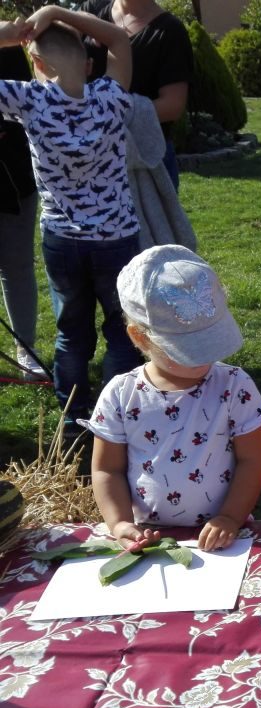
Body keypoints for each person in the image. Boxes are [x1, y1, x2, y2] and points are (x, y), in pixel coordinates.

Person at [0, 7, 144, 429]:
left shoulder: (28, 99)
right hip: (117, 239)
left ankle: (73, 416)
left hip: (63, 241)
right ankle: (116, 418)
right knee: (122, 331)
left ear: (37, 64)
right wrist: (60, 12)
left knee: (71, 334)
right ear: (87, 64)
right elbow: (118, 39)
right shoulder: (111, 97)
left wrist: (9, 34)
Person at [80, 245, 261, 552]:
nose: (204, 356)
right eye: (188, 349)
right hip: (148, 535)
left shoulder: (235, 386)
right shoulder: (121, 394)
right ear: (139, 337)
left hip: (223, 534)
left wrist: (230, 517)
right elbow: (107, 469)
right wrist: (120, 524)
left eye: (209, 342)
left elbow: (253, 460)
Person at [79, 0, 193, 190]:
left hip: (145, 157)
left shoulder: (169, 30)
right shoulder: (93, 9)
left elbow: (173, 105)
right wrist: (70, 18)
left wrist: (107, 115)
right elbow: (54, 46)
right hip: (92, 153)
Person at [0, 47, 44, 380]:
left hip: (13, 177)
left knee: (16, 266)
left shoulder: (8, 46)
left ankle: (25, 350)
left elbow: (24, 106)